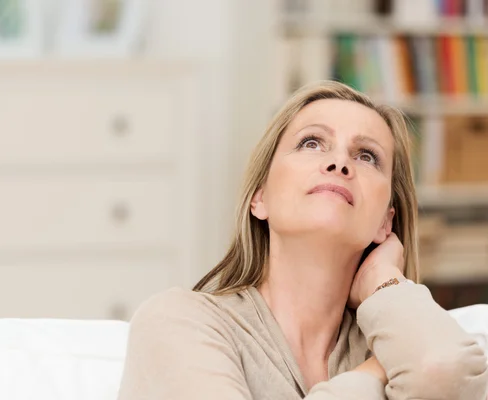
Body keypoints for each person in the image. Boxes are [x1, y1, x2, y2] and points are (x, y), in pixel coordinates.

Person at [117, 81, 488, 399]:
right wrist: (379, 372)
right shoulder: (178, 321)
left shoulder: (405, 336)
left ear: (385, 223)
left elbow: (444, 369)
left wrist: (384, 282)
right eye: (312, 143)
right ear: (259, 197)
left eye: (367, 156)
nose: (340, 163)